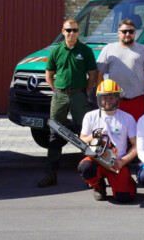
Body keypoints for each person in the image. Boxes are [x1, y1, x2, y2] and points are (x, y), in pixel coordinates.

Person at [38, 18, 97, 188]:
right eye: (68, 30)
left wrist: (84, 92)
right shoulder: (56, 51)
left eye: (75, 30)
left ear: (79, 32)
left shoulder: (85, 51)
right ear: (62, 31)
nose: (71, 33)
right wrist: (56, 90)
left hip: (79, 95)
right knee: (55, 133)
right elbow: (49, 74)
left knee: (84, 133)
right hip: (60, 96)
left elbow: (92, 75)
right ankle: (51, 173)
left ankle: (90, 175)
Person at [77, 79, 138, 203]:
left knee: (125, 197)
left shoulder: (127, 118)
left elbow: (136, 145)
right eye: (104, 98)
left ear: (117, 98)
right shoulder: (90, 116)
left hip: (117, 162)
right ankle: (98, 186)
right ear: (99, 99)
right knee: (85, 167)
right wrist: (93, 137)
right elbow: (82, 139)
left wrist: (122, 162)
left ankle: (127, 182)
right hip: (96, 159)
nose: (107, 101)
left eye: (111, 98)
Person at [97, 19, 144, 121]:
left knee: (137, 133)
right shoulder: (108, 49)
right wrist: (101, 97)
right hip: (114, 101)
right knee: (115, 133)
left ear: (135, 33)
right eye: (124, 31)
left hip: (137, 101)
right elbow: (99, 75)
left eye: (131, 31)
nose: (127, 34)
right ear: (118, 33)